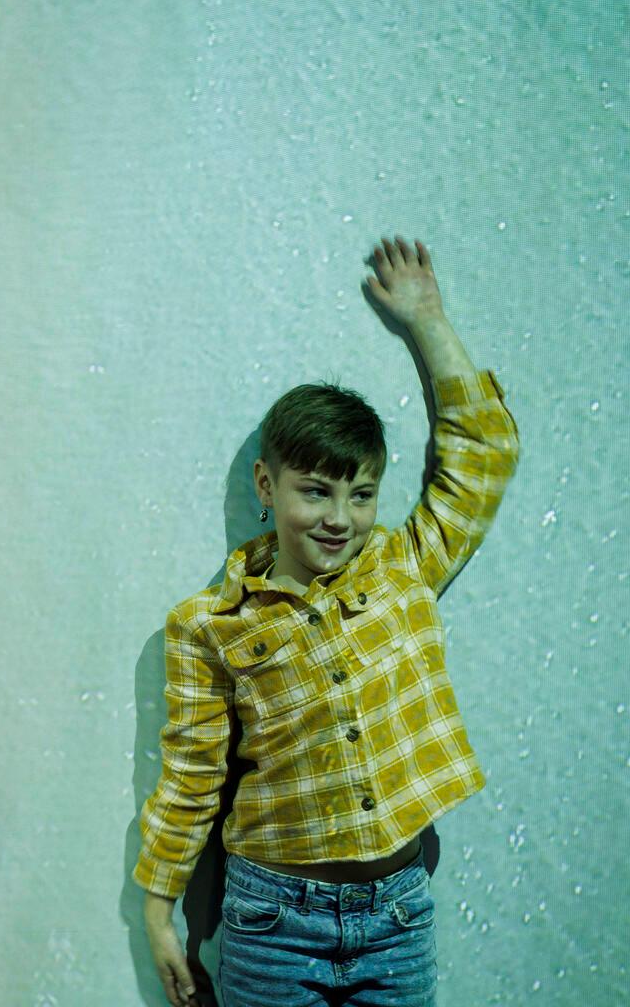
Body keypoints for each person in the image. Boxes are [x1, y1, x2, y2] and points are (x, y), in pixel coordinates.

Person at [137, 237, 521, 1007]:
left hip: (399, 915)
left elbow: (484, 455)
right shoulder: (207, 626)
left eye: (362, 495)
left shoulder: (401, 567)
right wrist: (156, 912)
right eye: (315, 492)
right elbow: (191, 777)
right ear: (266, 485)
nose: (339, 520)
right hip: (271, 922)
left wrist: (427, 321)